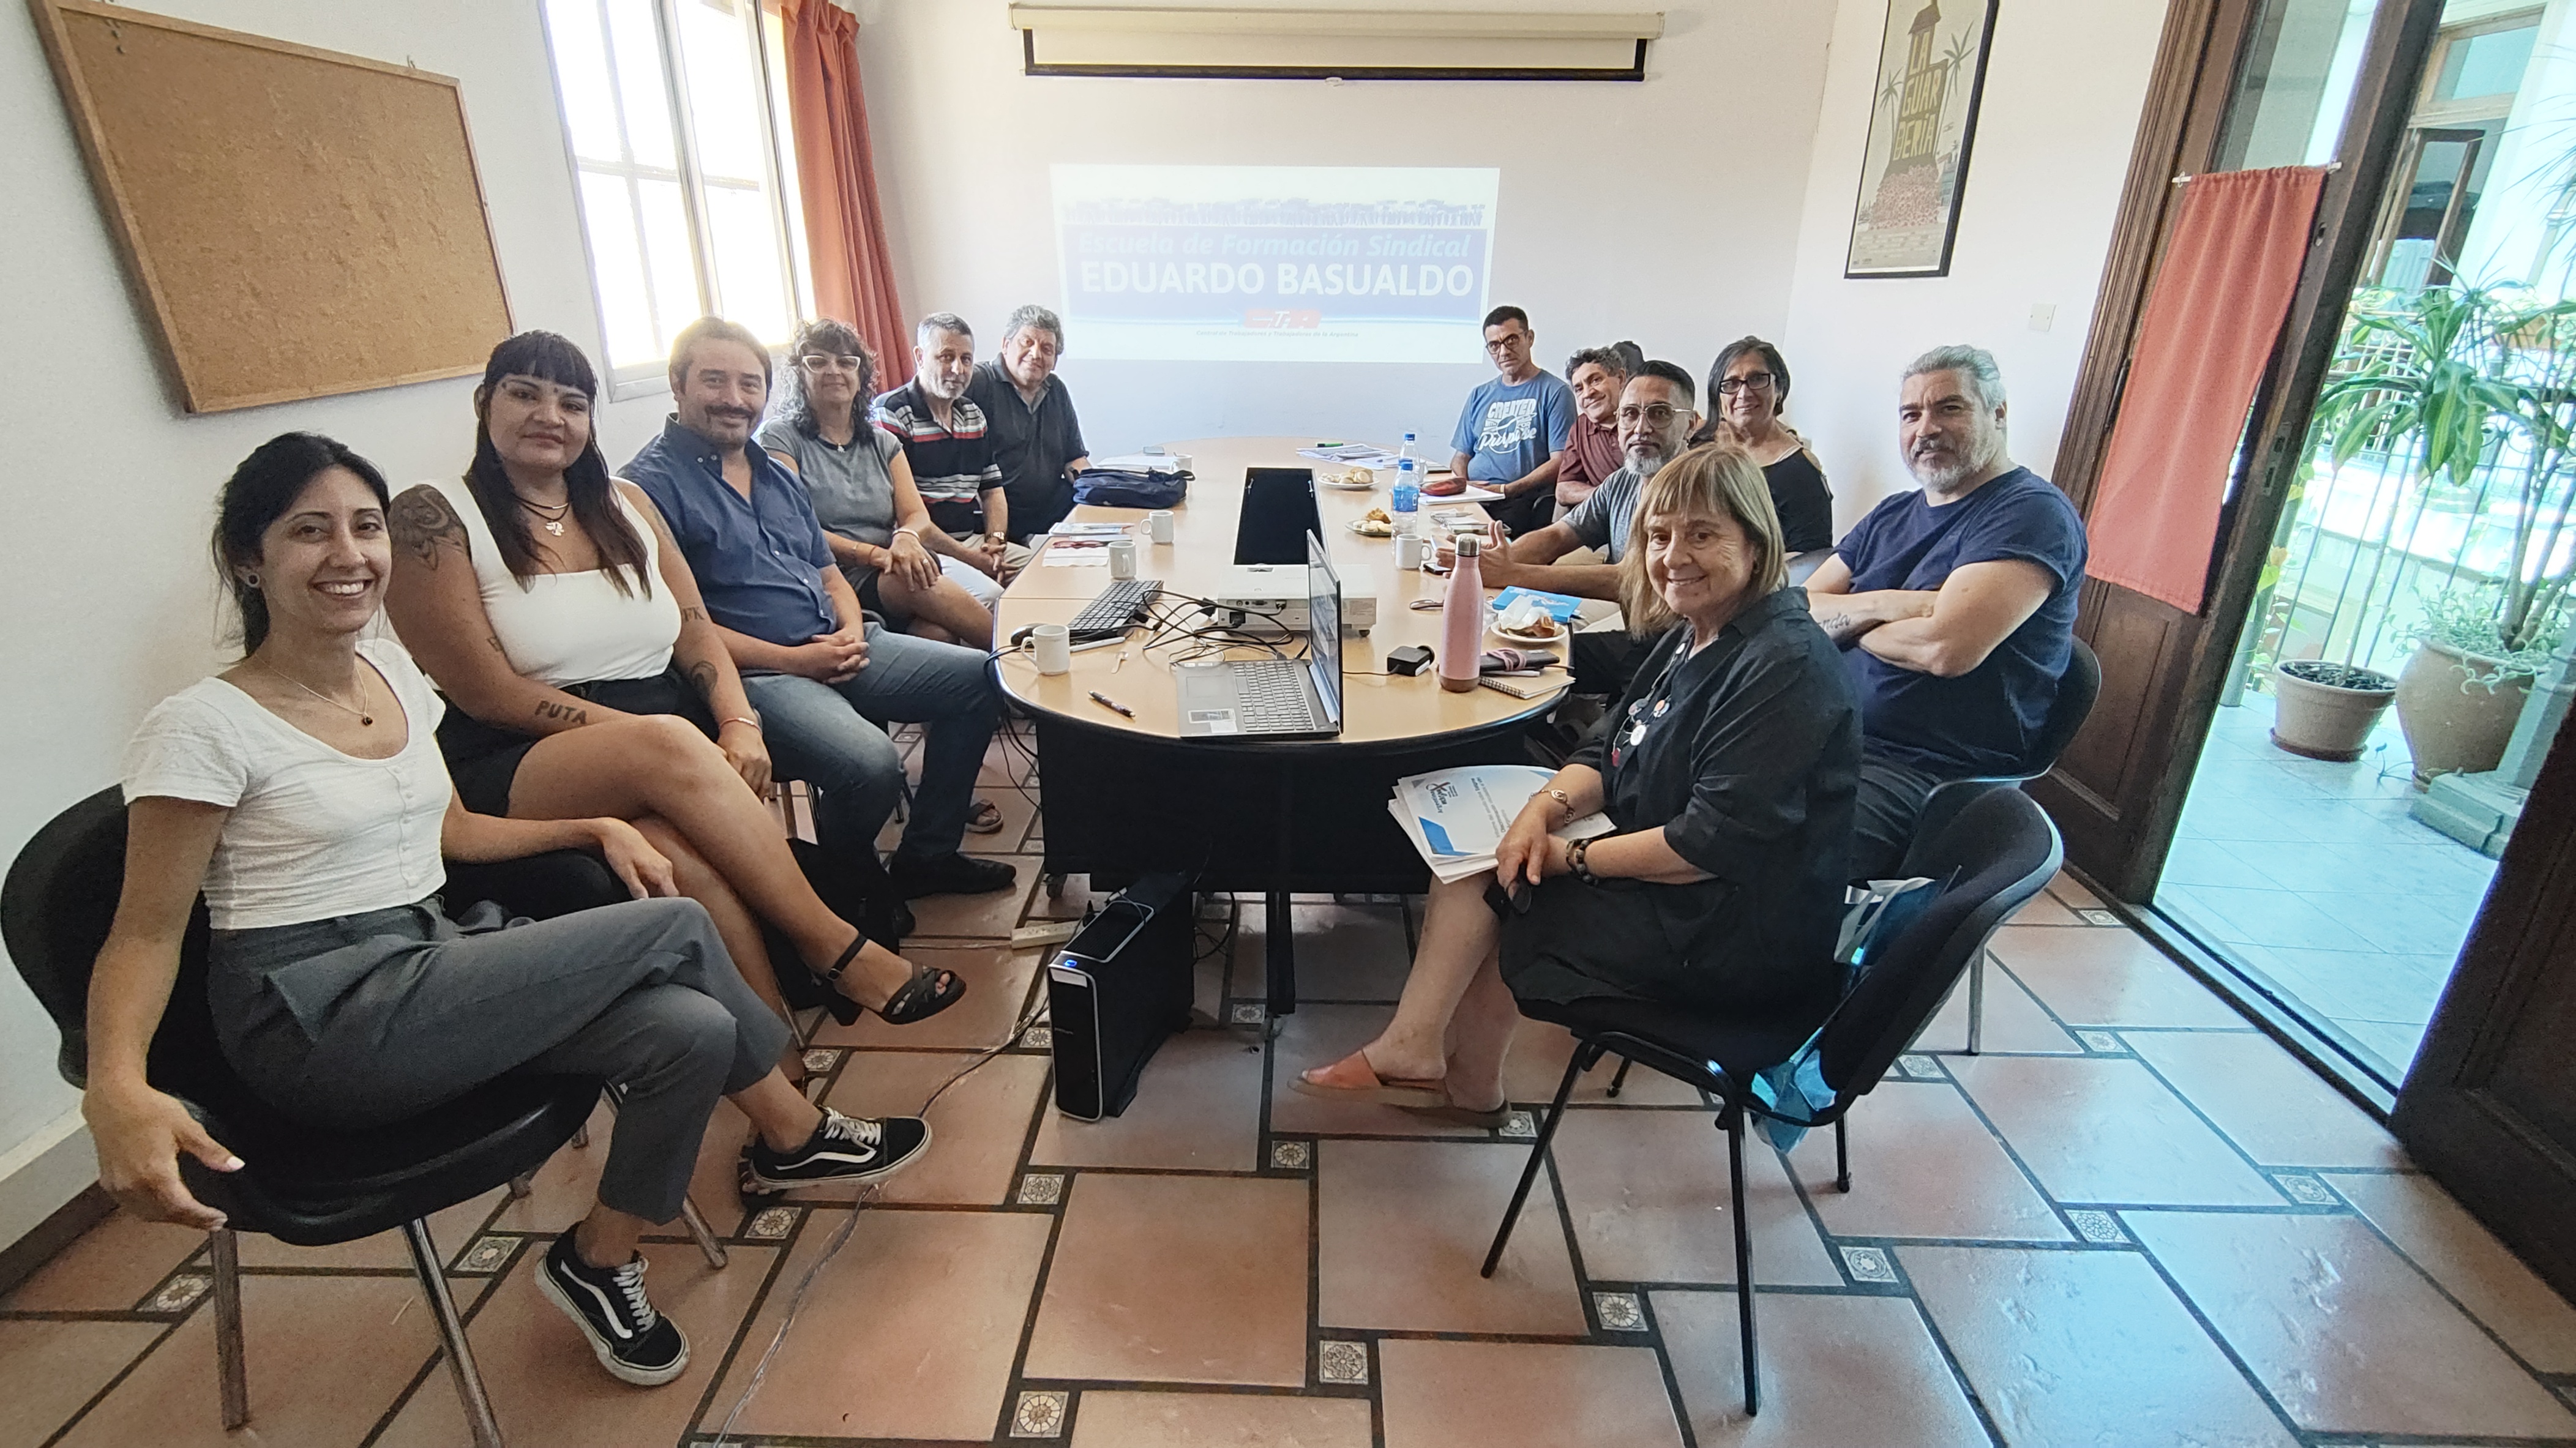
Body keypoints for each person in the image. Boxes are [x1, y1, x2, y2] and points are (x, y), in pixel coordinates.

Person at [93, 432, 931, 1389]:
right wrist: (114, 1085)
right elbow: (144, 932)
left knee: (690, 1031)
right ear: (250, 559)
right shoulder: (202, 726)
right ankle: (795, 1126)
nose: (349, 554)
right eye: (309, 531)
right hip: (318, 1019)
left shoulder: (391, 675)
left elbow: (450, 831)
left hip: (427, 953)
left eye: (366, 527)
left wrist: (593, 827)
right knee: (672, 922)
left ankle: (599, 1257)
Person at [387, 331, 966, 1036]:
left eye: (571, 402)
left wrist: (738, 724)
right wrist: (670, 741)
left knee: (692, 871)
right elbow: (489, 695)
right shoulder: (432, 516)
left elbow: (693, 629)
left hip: (662, 738)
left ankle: (779, 1063)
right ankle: (836, 948)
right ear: (485, 402)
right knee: (683, 747)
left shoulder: (625, 502)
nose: (549, 416)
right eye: (524, 394)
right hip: (516, 750)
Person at [1294, 444, 1859, 1117]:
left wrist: (1568, 856)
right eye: (1658, 536)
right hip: (1688, 887)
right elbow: (1607, 744)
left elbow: (1707, 846)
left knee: (1514, 882)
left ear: (1756, 542)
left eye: (1702, 535)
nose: (1672, 556)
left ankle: (1436, 1064)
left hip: (1730, 937)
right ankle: (1442, 1066)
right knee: (1496, 850)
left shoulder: (1784, 666)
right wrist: (1541, 810)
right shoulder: (1699, 630)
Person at [626, 318, 1018, 900]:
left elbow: (828, 572)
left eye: (749, 384)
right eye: (714, 381)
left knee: (984, 680)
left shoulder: (771, 472)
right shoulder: (645, 489)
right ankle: (850, 880)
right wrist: (798, 661)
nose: (734, 399)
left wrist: (853, 630)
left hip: (844, 641)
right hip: (760, 674)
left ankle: (928, 856)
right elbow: (681, 630)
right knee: (872, 765)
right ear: (677, 384)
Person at [1806, 345, 2087, 879]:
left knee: (1749, 858)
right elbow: (1797, 611)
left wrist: (1848, 622)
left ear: (1998, 414)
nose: (1926, 429)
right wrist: (1889, 605)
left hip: (1918, 771)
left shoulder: (2030, 513)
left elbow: (1945, 648)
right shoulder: (1893, 513)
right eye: (1911, 414)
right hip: (1824, 734)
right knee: (1672, 784)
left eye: (1949, 408)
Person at [760, 319, 998, 649]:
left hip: (889, 566)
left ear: (861, 375)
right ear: (799, 373)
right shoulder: (780, 437)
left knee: (938, 634)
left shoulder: (882, 442)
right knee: (912, 580)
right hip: (829, 573)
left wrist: (905, 537)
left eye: (846, 362)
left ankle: (1006, 664)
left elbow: (915, 515)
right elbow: (796, 528)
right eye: (818, 361)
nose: (834, 370)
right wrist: (874, 555)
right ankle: (1014, 657)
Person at [1467, 360, 1701, 695]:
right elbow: (1560, 534)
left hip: (1673, 648)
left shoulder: (1695, 489)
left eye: (1659, 414)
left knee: (1528, 663)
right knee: (1506, 647)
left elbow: (1631, 578)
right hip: (1637, 632)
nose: (1641, 428)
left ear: (1690, 424)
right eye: (1630, 414)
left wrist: (1513, 573)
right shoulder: (1623, 481)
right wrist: (1494, 561)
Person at [871, 313, 1027, 580]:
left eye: (966, 359)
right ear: (920, 357)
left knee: (1044, 572)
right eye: (946, 357)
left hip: (973, 543)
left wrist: (996, 542)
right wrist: (972, 560)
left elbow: (992, 491)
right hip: (923, 550)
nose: (958, 369)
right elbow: (902, 515)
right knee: (992, 595)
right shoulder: (892, 412)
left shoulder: (973, 414)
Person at [1694, 336, 1835, 555]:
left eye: (1757, 379)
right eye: (1731, 384)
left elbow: (1809, 560)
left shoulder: (1799, 471)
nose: (1744, 394)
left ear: (1779, 389)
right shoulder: (1696, 446)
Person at [967, 304, 1093, 543]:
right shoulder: (977, 383)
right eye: (1027, 342)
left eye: (1047, 349)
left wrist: (1101, 490)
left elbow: (1074, 459)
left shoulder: (1056, 389)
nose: (1036, 354)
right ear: (1006, 345)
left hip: (1047, 509)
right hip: (993, 513)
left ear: (1054, 361)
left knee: (1102, 523)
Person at [1447, 305, 1574, 536]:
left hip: (1521, 502)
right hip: (1473, 499)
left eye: (1512, 340)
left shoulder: (1555, 392)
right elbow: (1460, 457)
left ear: (1530, 338)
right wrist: (1463, 486)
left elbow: (1560, 461)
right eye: (1494, 345)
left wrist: (1507, 489)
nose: (1504, 352)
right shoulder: (1479, 395)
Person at [1556, 345, 1631, 511]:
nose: (1588, 393)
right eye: (1579, 389)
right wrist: (1606, 495)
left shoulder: (1644, 419)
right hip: (1605, 515)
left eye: (1596, 380)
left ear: (1621, 378)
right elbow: (1563, 490)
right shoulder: (1580, 427)